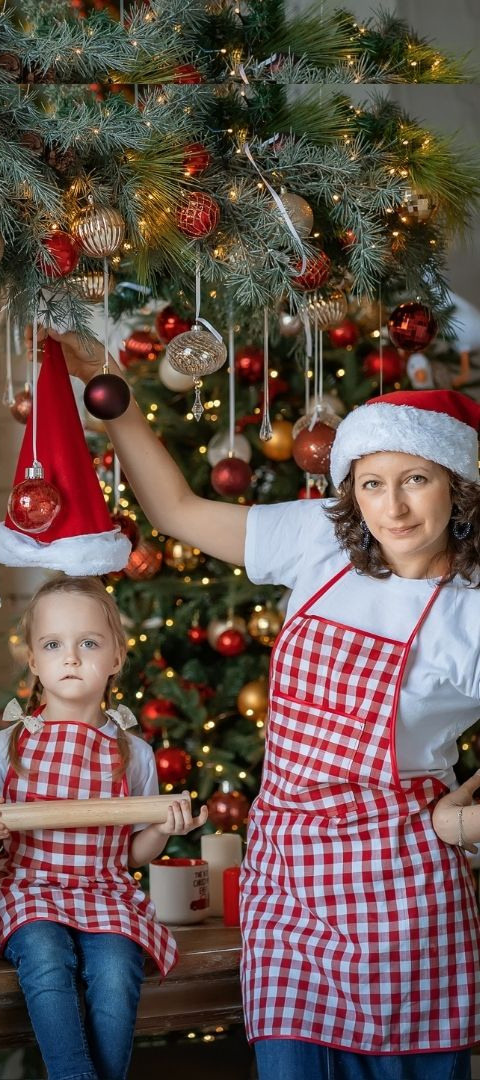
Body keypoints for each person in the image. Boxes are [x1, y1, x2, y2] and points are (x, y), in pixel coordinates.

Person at [53, 326, 480, 1080]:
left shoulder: (469, 612)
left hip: (405, 893)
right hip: (289, 880)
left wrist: (470, 821)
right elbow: (179, 511)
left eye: (417, 480)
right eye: (374, 483)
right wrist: (111, 395)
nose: (395, 509)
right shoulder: (319, 541)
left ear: (458, 483)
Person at [0, 576, 207, 1080]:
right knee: (45, 957)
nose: (71, 657)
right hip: (27, 891)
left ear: (116, 657)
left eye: (89, 643)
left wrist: (164, 826)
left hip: (104, 891)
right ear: (34, 661)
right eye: (53, 644)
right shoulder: (8, 746)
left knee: (118, 969)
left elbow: (133, 854)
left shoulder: (132, 752)